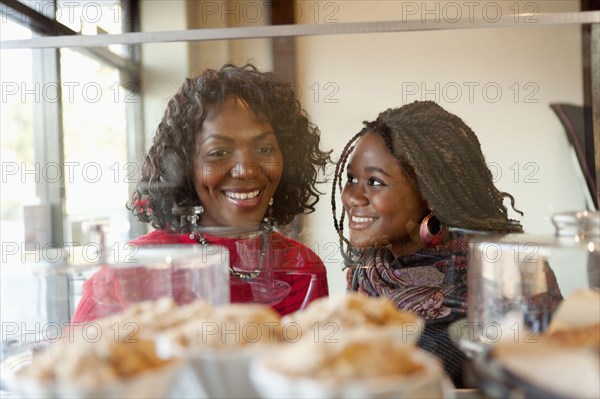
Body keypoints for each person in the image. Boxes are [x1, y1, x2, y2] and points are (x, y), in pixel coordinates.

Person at [73, 64, 332, 323]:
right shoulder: (127, 273)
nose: (246, 170)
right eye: (218, 153)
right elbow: (80, 361)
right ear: (185, 167)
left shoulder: (303, 267)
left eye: (264, 149)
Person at [331, 101, 561, 387]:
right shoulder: (368, 276)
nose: (352, 197)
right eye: (351, 178)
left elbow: (554, 374)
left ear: (429, 192)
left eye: (375, 182)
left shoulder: (508, 271)